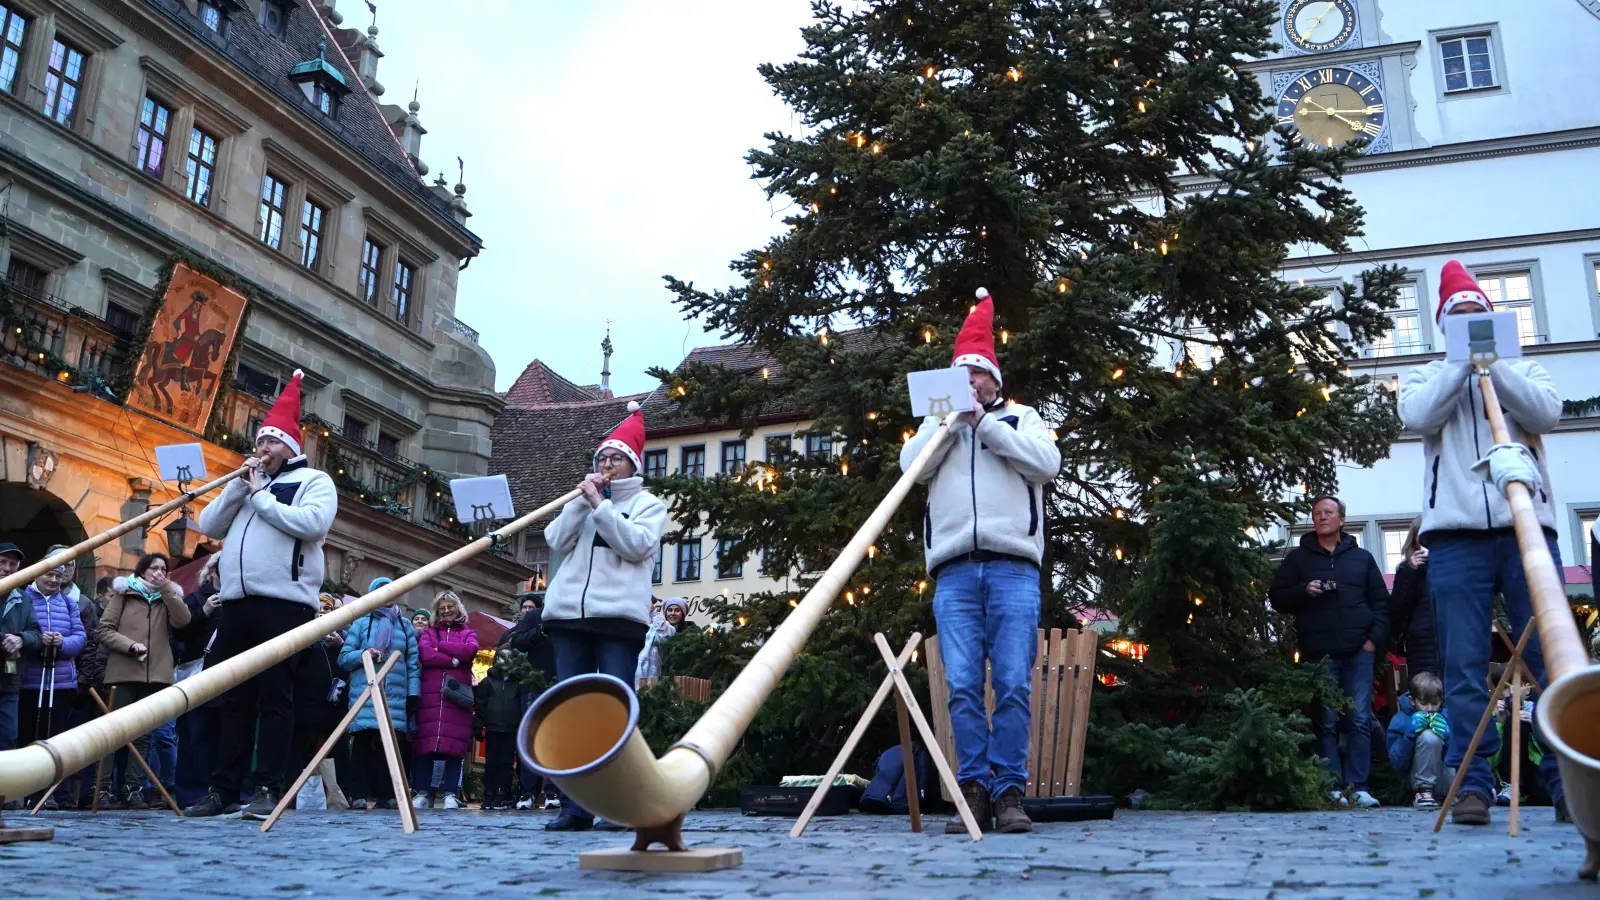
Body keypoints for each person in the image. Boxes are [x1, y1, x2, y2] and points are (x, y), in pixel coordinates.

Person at [1397, 260, 1568, 827]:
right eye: (1460, 319)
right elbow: (1418, 416)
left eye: (1480, 317)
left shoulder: (1526, 368)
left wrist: (1497, 367)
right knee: (1465, 665)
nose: (1471, 326)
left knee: (1550, 659)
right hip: (1456, 539)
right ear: (1446, 326)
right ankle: (1473, 785)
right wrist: (1458, 365)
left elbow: (1546, 412)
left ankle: (1570, 785)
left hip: (1527, 529)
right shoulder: (1427, 374)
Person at [901, 290, 1063, 835]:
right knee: (964, 684)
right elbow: (911, 471)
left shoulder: (1022, 417)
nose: (971, 383)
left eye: (979, 376)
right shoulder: (936, 426)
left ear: (995, 380)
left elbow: (1047, 464)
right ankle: (972, 789)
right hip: (953, 570)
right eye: (962, 376)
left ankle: (1010, 792)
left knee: (1014, 680)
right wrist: (947, 425)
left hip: (1013, 565)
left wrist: (986, 426)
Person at [185, 370, 339, 820]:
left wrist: (261, 499)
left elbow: (313, 525)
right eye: (259, 443)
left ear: (290, 446)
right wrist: (239, 487)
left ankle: (268, 787)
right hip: (236, 605)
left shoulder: (314, 482)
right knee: (233, 700)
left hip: (284, 605)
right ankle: (223, 789)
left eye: (269, 443)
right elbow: (209, 526)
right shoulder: (248, 484)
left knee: (275, 697)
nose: (261, 450)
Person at [541, 400, 668, 830]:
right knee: (572, 712)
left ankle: (619, 803)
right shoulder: (584, 501)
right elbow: (555, 540)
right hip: (569, 618)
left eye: (616, 458)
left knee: (615, 712)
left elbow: (635, 546)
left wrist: (602, 506)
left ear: (632, 465)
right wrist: (579, 504)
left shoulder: (650, 504)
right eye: (602, 458)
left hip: (618, 619)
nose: (608, 464)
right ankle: (575, 805)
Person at [1269, 495, 1389, 808]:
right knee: (1326, 720)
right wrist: (1303, 591)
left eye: (1328, 512)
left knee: (1360, 718)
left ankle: (1359, 786)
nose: (1321, 517)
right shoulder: (1299, 558)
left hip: (1359, 651)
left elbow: (1381, 604)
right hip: (1319, 653)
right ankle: (1332, 786)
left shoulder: (1362, 558)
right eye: (1317, 513)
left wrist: (1372, 641)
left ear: (1341, 519)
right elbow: (1277, 597)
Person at [94, 552, 191, 809]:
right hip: (124, 672)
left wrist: (168, 589)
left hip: (156, 675)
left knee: (143, 735)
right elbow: (104, 629)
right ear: (142, 571)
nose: (158, 572)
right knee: (113, 733)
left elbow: (184, 621)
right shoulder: (124, 593)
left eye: (163, 569)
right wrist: (129, 646)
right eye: (153, 568)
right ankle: (101, 790)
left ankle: (133, 788)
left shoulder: (167, 596)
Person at [339, 577, 420, 810]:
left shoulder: (405, 626)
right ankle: (358, 794)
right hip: (365, 690)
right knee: (362, 743)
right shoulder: (360, 623)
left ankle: (388, 795)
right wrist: (365, 653)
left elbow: (413, 663)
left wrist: (413, 695)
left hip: (394, 694)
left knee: (390, 745)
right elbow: (344, 658)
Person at [19, 562, 86, 809]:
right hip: (30, 681)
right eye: (49, 574)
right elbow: (20, 632)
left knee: (54, 738)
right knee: (29, 737)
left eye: (59, 576)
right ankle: (26, 792)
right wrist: (38, 642)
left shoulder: (68, 603)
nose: (55, 580)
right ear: (37, 574)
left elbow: (80, 638)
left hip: (60, 681)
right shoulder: (23, 599)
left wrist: (62, 642)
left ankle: (50, 795)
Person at [413, 590, 478, 810]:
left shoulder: (468, 632)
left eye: (450, 606)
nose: (447, 610)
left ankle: (451, 793)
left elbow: (470, 651)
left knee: (454, 748)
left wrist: (441, 647)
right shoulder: (429, 632)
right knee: (425, 747)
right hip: (431, 697)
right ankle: (423, 792)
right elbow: (425, 654)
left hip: (456, 699)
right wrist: (453, 661)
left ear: (458, 608)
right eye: (443, 608)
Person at [173, 554, 225, 807]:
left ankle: (220, 791)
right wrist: (204, 612)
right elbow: (178, 632)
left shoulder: (239, 601)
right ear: (213, 571)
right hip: (197, 678)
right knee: (194, 737)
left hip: (228, 678)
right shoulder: (194, 599)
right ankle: (191, 794)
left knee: (222, 739)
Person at [291, 594, 348, 810]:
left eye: (328, 608)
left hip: (332, 707)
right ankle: (294, 798)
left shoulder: (342, 638)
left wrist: (339, 645)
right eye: (320, 607)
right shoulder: (303, 635)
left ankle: (334, 796)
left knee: (331, 752)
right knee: (299, 751)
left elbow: (348, 666)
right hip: (303, 703)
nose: (324, 611)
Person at [499, 591, 553, 810]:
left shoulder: (570, 617)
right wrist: (540, 632)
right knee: (530, 740)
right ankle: (527, 792)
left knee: (557, 740)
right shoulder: (535, 617)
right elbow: (517, 641)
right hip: (533, 685)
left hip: (561, 683)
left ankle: (553, 792)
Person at [474, 653, 530, 811]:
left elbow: (521, 705)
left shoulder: (518, 683)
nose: (506, 661)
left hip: (511, 728)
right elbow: (480, 704)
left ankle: (501, 794)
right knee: (491, 762)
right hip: (493, 727)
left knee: (506, 763)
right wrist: (478, 724)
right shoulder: (487, 682)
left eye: (509, 657)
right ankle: (488, 794)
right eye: (502, 657)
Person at [1387, 671, 1451, 810]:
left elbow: (1464, 755)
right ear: (1412, 700)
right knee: (1429, 736)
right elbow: (1398, 765)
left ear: (1441, 701)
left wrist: (1449, 739)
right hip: (1416, 778)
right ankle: (1424, 792)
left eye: (1435, 704)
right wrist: (1410, 734)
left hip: (1447, 779)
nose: (1429, 709)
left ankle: (1463, 792)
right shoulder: (1400, 720)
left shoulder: (1448, 717)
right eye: (1423, 703)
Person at [0, 546, 41, 755]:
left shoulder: (23, 599)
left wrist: (20, 639)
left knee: (8, 738)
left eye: (13, 564)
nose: (7, 569)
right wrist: (4, 641)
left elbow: (36, 632)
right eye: (2, 562)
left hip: (8, 682)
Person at [1388, 518, 1437, 678]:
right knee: (1426, 695)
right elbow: (1396, 611)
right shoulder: (1406, 569)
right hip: (1422, 644)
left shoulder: (1454, 566)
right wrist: (1411, 571)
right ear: (1415, 540)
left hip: (1453, 638)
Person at [636, 597, 686, 684]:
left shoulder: (659, 628)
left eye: (677, 610)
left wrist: (653, 613)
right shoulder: (649, 627)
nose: (673, 613)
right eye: (669, 610)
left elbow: (665, 634)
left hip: (670, 679)